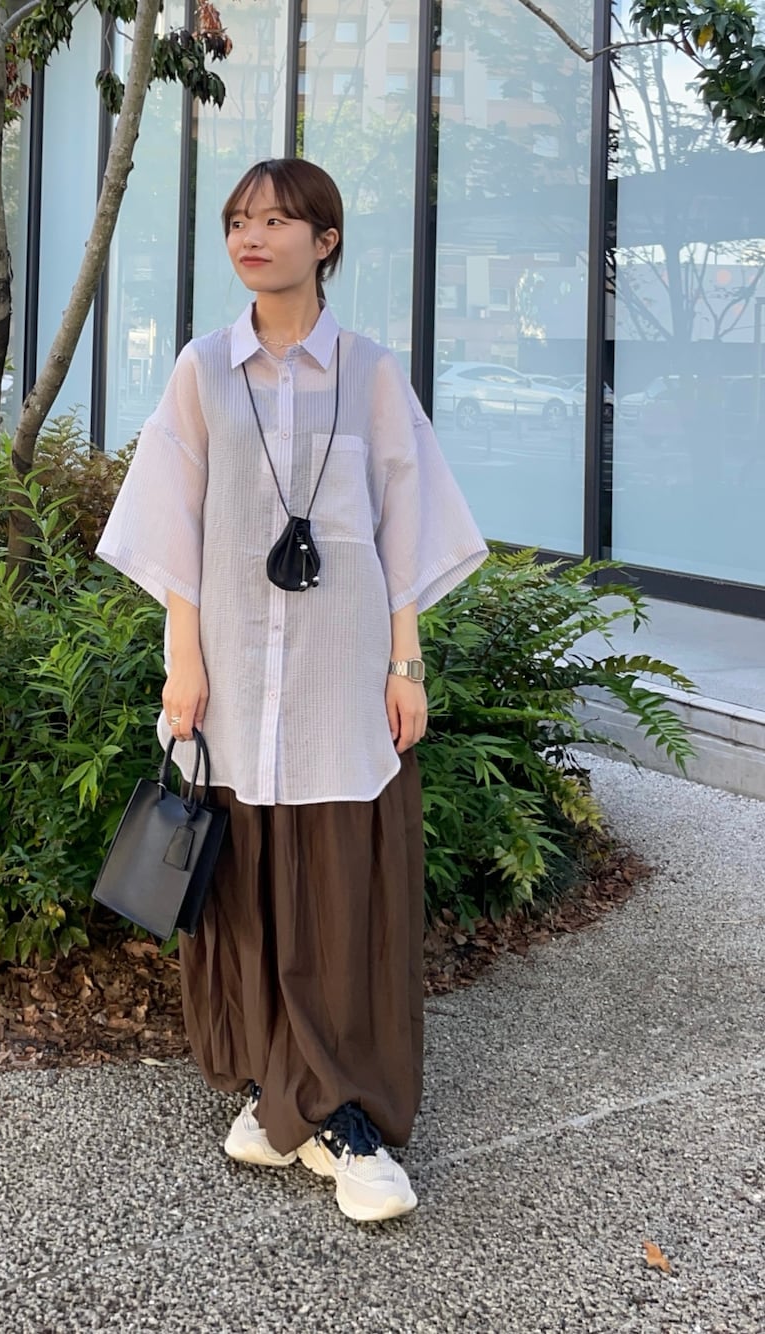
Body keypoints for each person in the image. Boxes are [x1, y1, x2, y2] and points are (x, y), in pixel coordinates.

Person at [97, 158, 486, 1223]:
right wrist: (183, 660)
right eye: (237, 219)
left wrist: (406, 662)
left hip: (337, 680)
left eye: (275, 219)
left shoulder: (370, 373)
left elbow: (405, 524)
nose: (250, 236)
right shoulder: (202, 371)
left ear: (325, 240)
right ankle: (286, 1094)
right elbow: (173, 528)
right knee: (248, 884)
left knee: (336, 889)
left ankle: (335, 1111)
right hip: (232, 676)